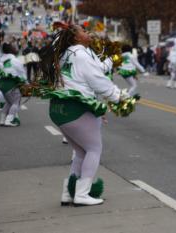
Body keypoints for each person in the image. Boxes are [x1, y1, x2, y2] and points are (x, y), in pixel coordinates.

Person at [40, 23, 131, 206]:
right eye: (83, 31)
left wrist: (111, 60)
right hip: (75, 107)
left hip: (58, 108)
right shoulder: (81, 54)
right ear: (75, 37)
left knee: (80, 152)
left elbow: (95, 69)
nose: (87, 32)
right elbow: (97, 80)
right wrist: (118, 97)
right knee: (94, 149)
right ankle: (82, 194)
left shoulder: (69, 53)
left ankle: (68, 192)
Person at [0, 43, 27, 127]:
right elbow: (22, 73)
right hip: (10, 83)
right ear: (12, 50)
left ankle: (2, 120)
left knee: (9, 102)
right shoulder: (15, 60)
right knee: (16, 102)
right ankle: (9, 120)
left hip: (1, 83)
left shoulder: (1, 59)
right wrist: (26, 83)